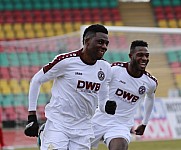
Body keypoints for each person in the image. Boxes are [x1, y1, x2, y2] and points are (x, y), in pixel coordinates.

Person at [24, 24, 116, 150]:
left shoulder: (105, 68)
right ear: (87, 41)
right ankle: (46, 132)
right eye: (100, 42)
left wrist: (107, 107)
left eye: (106, 43)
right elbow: (36, 80)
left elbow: (102, 103)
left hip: (83, 127)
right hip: (59, 123)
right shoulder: (66, 61)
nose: (104, 47)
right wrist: (32, 116)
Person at [91, 40, 158, 150]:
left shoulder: (150, 82)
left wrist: (144, 123)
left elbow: (150, 98)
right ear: (131, 56)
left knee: (120, 147)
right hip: (98, 119)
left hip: (120, 125)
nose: (145, 59)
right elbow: (98, 85)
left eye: (147, 56)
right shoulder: (115, 70)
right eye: (140, 55)